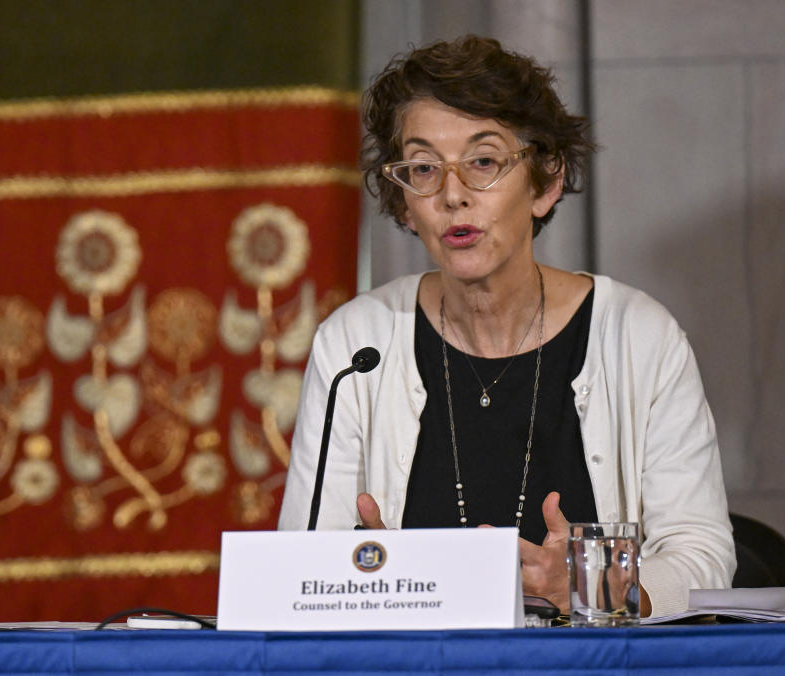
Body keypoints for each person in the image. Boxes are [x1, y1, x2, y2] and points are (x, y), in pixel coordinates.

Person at [277, 35, 735, 618]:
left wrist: (587, 587)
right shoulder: (356, 344)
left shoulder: (638, 337)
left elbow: (702, 555)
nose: (452, 195)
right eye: (423, 168)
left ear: (543, 183)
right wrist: (369, 583)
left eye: (484, 162)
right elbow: (300, 563)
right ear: (404, 201)